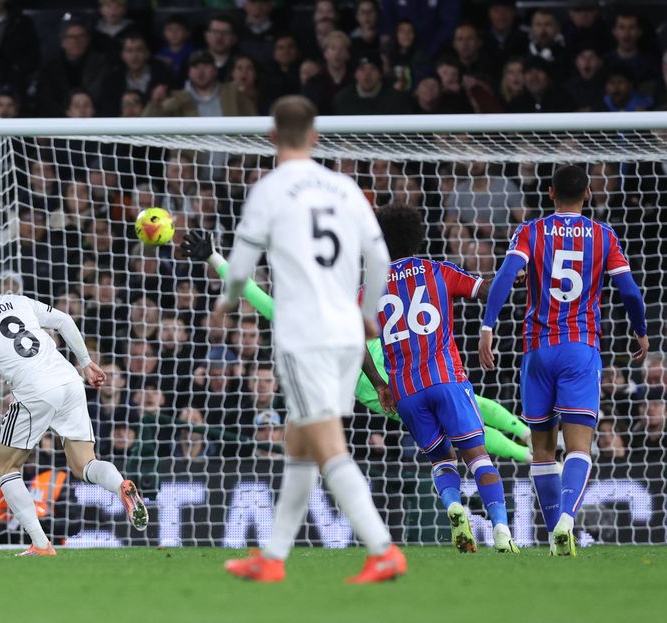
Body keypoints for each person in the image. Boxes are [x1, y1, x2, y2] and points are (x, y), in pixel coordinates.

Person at [220, 95, 403, 584]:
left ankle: (383, 548)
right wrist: (367, 317)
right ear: (316, 136)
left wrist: (227, 300)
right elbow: (381, 260)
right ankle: (274, 557)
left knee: (327, 446)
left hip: (306, 337)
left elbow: (240, 268)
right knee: (298, 443)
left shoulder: (271, 189)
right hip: (347, 335)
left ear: (272, 137)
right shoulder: (344, 187)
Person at [181, 229, 533, 464]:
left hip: (377, 385)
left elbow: (253, 294)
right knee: (463, 405)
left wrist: (215, 258)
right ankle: (526, 435)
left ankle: (527, 452)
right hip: (398, 362)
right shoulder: (343, 299)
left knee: (453, 426)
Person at [479, 164, 649, 556]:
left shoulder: (531, 231)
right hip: (579, 349)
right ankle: (567, 521)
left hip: (537, 351)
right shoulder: (603, 236)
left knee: (542, 450)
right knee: (578, 448)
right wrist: (640, 330)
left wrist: (488, 326)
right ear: (588, 193)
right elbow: (630, 292)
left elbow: (505, 276)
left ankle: (557, 530)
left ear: (550, 192)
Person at [0, 259, 148, 556]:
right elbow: (63, 320)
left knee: (5, 469)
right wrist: (86, 363)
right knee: (84, 465)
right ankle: (120, 486)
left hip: (35, 392)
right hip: (69, 380)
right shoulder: (17, 301)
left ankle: (40, 544)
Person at [368, 204, 518, 553]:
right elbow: (484, 290)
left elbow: (353, 337)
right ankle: (501, 530)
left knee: (441, 460)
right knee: (478, 457)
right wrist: (512, 274)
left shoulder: (369, 287)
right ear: (418, 237)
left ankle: (453, 506)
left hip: (405, 389)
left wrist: (378, 383)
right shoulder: (437, 271)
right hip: (445, 378)